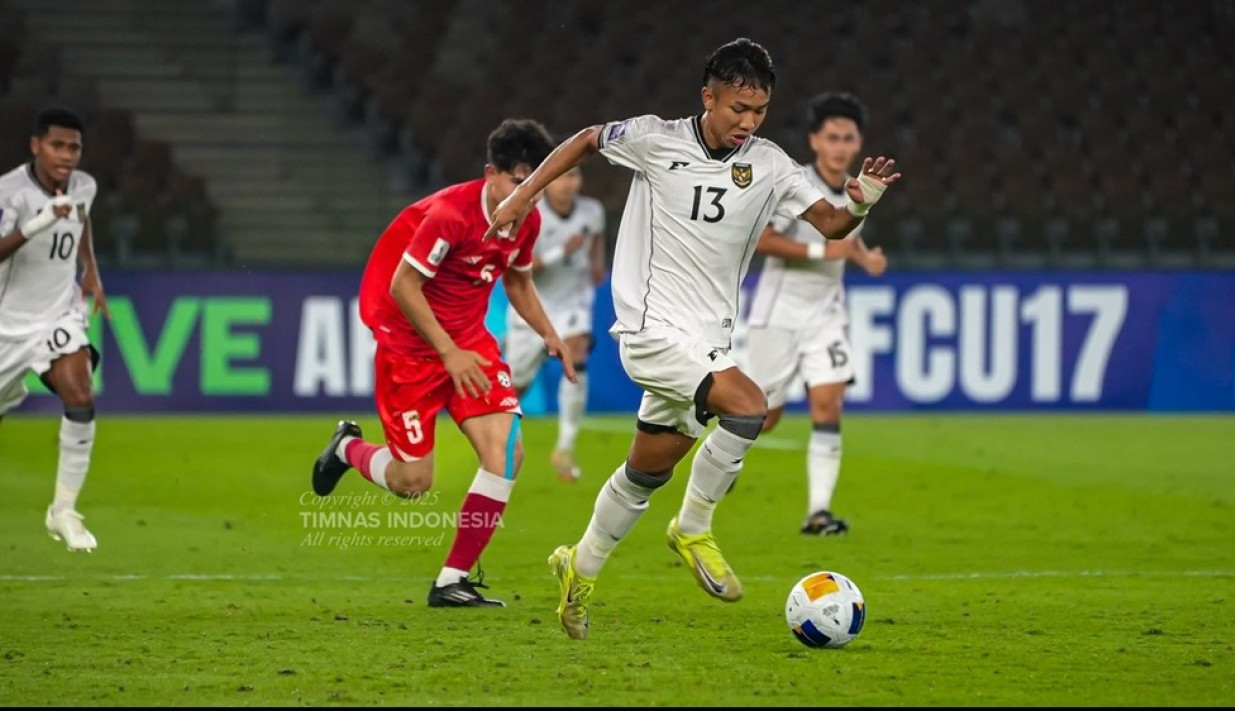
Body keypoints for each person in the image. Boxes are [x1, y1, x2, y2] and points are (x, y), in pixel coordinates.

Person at [485, 38, 902, 639]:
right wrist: (525, 198)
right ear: (708, 97)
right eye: (737, 108)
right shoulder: (657, 139)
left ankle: (579, 567)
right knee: (749, 406)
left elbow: (833, 223)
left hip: (709, 339)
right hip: (651, 328)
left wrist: (864, 201)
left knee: (644, 472)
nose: (748, 123)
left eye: (759, 112)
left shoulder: (771, 165)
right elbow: (584, 139)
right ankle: (693, 527)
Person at [311, 118, 576, 607]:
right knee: (413, 482)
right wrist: (447, 353)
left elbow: (517, 282)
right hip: (409, 343)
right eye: (519, 182)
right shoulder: (451, 215)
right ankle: (348, 448)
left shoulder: (528, 220)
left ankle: (451, 579)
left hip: (469, 342)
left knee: (507, 453)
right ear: (490, 174)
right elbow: (403, 286)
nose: (529, 195)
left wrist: (548, 331)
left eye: (536, 184)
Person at [745, 92, 888, 536]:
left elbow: (848, 233)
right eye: (832, 137)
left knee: (828, 403)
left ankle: (818, 512)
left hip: (826, 315)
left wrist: (863, 258)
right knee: (761, 418)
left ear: (858, 142)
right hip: (778, 313)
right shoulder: (794, 185)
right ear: (815, 141)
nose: (841, 146)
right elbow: (761, 240)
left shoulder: (860, 189)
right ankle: (718, 460)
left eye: (848, 138)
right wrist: (820, 249)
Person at [0, 106, 109, 552]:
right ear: (36, 146)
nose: (67, 155)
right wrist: (40, 220)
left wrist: (90, 272)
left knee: (80, 393)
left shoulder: (84, 185)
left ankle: (63, 510)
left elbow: (79, 218)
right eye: (57, 145)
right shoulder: (10, 192)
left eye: (74, 147)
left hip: (57, 314)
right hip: (6, 326)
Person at [502, 164, 606, 482]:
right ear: (547, 181)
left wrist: (597, 266)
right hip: (531, 308)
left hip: (572, 304)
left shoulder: (592, 211)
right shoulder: (531, 215)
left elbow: (597, 243)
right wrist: (563, 251)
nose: (568, 184)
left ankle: (564, 446)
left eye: (574, 175)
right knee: (515, 387)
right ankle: (496, 442)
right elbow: (520, 271)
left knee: (577, 356)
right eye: (562, 176)